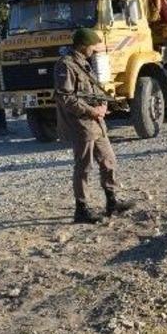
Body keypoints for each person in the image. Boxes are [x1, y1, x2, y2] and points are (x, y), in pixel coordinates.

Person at [54, 28, 133, 224]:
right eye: (92, 46)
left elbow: (94, 90)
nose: (94, 50)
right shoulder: (66, 66)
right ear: (83, 46)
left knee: (108, 161)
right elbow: (66, 98)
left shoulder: (84, 64)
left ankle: (112, 202)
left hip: (96, 123)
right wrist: (92, 111)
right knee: (84, 166)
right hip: (82, 124)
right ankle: (81, 209)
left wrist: (104, 104)